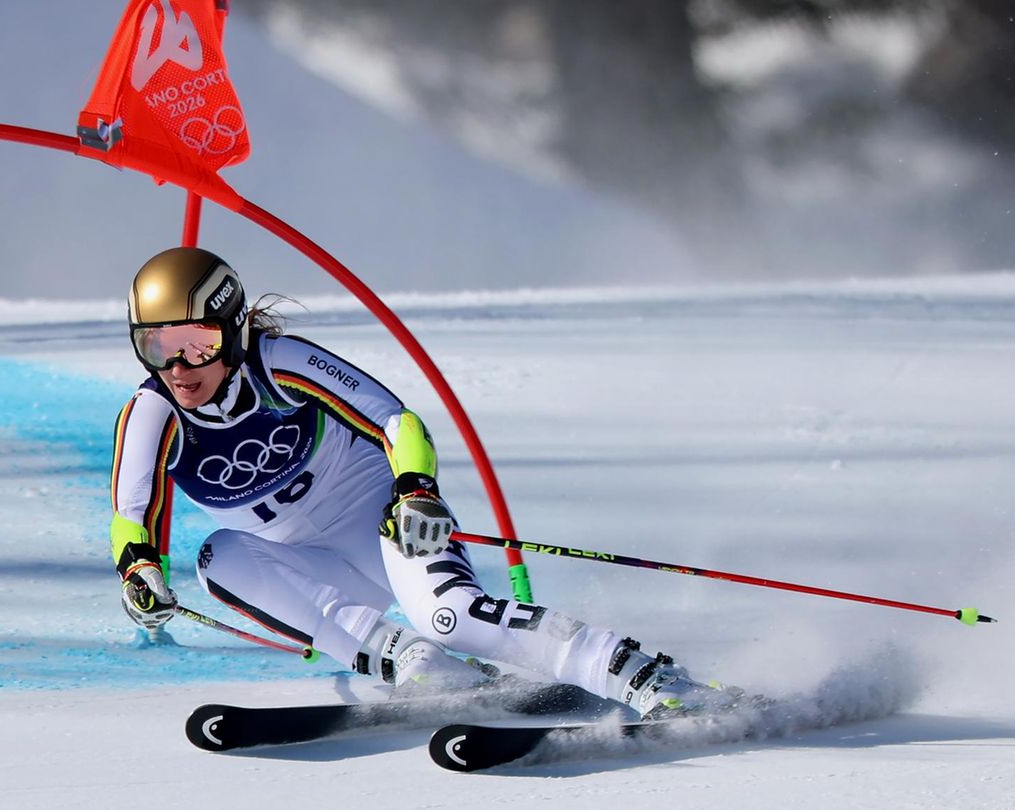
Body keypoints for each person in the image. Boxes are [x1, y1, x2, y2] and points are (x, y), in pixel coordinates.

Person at [109, 246, 725, 718]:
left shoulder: (280, 364)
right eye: (157, 346)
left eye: (198, 344)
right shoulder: (153, 412)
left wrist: (415, 491)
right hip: (305, 561)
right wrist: (139, 573)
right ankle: (419, 666)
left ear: (235, 331)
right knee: (218, 559)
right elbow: (130, 518)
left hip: (382, 519)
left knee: (450, 616)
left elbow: (396, 421)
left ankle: (643, 677)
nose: (179, 368)